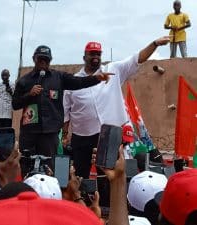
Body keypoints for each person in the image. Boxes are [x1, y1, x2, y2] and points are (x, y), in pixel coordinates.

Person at [63, 36, 170, 178]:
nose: (95, 57)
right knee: (80, 176)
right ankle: (83, 199)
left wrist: (155, 43)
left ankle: (108, 200)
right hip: (82, 137)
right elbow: (65, 112)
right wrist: (64, 135)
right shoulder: (74, 81)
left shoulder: (113, 70)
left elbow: (138, 58)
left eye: (98, 54)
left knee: (109, 176)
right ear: (85, 56)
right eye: (92, 54)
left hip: (109, 135)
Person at [12, 45, 112, 175]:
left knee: (49, 170)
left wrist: (96, 79)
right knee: (27, 167)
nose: (43, 63)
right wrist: (29, 95)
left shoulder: (58, 77)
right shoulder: (24, 81)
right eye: (40, 59)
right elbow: (15, 104)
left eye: (46, 60)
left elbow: (78, 82)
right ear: (34, 59)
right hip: (29, 133)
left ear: (51, 60)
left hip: (50, 133)